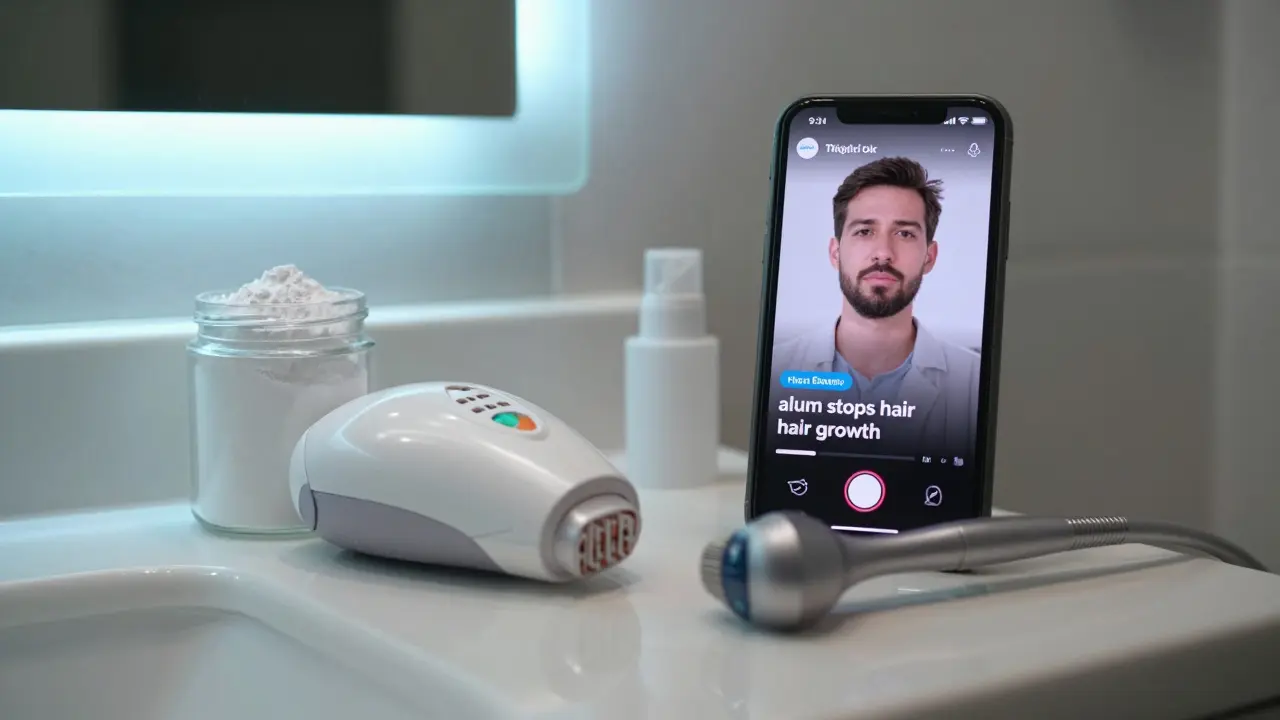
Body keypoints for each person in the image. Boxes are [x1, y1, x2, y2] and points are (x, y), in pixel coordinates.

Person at [771, 156, 980, 454]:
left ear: (929, 257)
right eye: (864, 231)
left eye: (904, 233)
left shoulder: (973, 380)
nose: (883, 253)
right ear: (835, 253)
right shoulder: (777, 368)